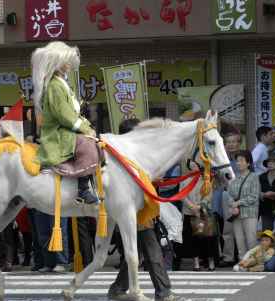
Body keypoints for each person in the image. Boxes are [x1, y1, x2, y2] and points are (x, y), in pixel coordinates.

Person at [108, 118, 185, 301]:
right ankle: (164, 292)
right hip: (133, 214)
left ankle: (117, 289)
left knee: (136, 254)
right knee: (153, 253)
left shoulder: (131, 153)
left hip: (142, 212)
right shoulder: (122, 156)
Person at [32, 42, 97, 204]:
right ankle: (83, 189)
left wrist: (87, 126)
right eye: (65, 61)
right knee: (87, 143)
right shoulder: (55, 86)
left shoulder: (62, 83)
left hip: (66, 130)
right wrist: (85, 129)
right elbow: (64, 115)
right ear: (57, 63)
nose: (69, 64)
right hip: (58, 133)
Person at [227, 150, 260, 259]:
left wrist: (238, 203)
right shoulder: (234, 179)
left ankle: (253, 262)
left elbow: (254, 196)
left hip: (250, 213)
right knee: (239, 240)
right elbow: (230, 195)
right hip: (236, 215)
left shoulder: (254, 177)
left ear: (248, 163)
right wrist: (232, 204)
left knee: (251, 240)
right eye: (237, 161)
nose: (238, 163)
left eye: (241, 160)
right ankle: (243, 262)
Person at [217, 131, 242, 267]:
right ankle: (228, 257)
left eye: (234, 142)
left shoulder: (244, 157)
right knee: (227, 228)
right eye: (228, 142)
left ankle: (243, 255)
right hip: (226, 194)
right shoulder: (221, 159)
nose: (231, 145)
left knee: (242, 227)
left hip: (242, 195)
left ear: (239, 143)